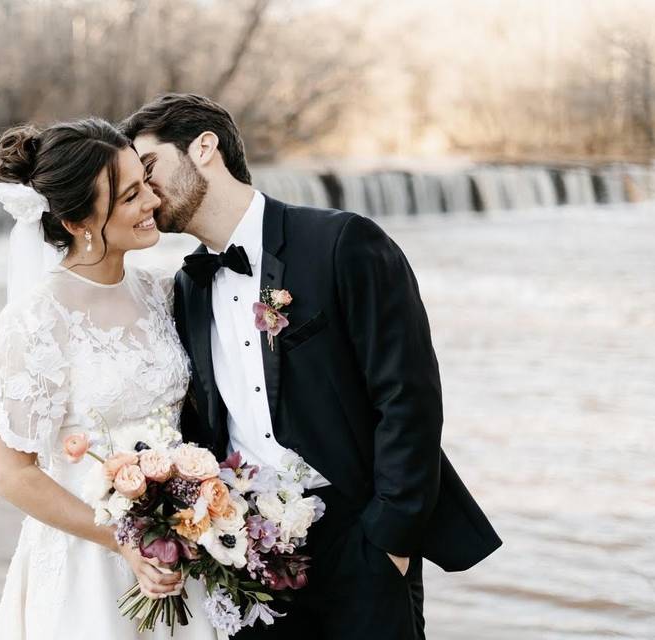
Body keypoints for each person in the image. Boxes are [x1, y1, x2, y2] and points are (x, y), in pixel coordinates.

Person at [121, 93, 502, 639]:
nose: (145, 192)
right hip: (244, 551)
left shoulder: (342, 241)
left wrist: (390, 541)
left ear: (205, 148)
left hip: (360, 539)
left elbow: (408, 398)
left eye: (150, 167)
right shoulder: (188, 285)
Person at [0, 118, 221, 639]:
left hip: (175, 551)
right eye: (130, 195)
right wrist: (123, 540)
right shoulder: (36, 320)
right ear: (78, 223)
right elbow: (11, 474)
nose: (152, 202)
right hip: (87, 566)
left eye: (145, 182)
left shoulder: (160, 292)